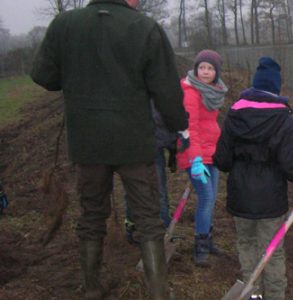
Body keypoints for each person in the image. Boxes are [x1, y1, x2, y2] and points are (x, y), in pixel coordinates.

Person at [30, 0, 188, 298]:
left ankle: (92, 288)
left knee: (91, 216)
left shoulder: (65, 24)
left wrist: (79, 79)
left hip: (87, 142)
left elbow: (43, 75)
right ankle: (158, 294)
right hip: (134, 142)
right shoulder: (145, 28)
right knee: (148, 219)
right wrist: (179, 125)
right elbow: (166, 90)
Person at [213, 57, 293, 300]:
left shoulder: (234, 113)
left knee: (247, 245)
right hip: (270, 199)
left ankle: (253, 295)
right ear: (276, 86)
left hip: (240, 195)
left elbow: (222, 160)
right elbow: (291, 166)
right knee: (272, 251)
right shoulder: (283, 118)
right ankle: (274, 296)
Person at [176, 49, 229, 266]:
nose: (205, 72)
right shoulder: (191, 92)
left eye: (210, 68)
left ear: (216, 72)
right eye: (202, 67)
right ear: (196, 69)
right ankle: (200, 246)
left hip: (211, 151)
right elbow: (190, 129)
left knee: (212, 197)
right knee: (206, 198)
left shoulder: (213, 91)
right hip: (195, 153)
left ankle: (207, 239)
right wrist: (196, 159)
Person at [124, 102, 179, 244]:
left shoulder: (159, 90)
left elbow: (168, 119)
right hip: (133, 145)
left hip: (153, 147)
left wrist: (173, 148)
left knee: (157, 190)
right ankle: (134, 225)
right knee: (142, 188)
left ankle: (164, 230)